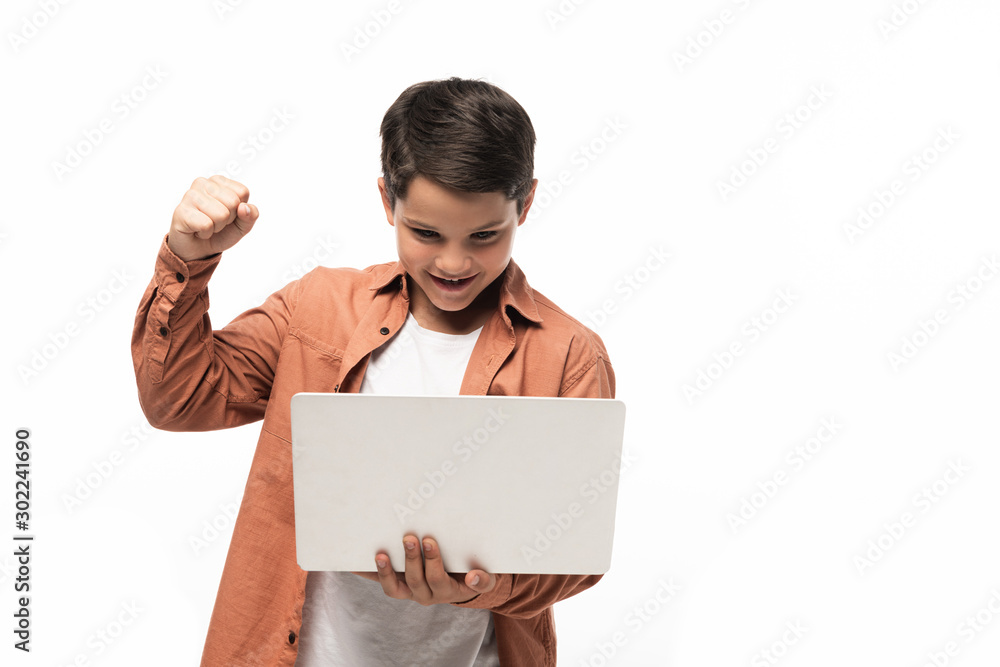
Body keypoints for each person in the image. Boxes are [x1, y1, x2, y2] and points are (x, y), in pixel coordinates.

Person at [131, 76, 616, 666]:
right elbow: (178, 399)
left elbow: (577, 556)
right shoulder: (317, 308)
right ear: (388, 200)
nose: (455, 262)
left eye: (485, 236)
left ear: (527, 203)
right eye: (426, 233)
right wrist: (189, 254)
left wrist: (484, 586)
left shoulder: (569, 355)